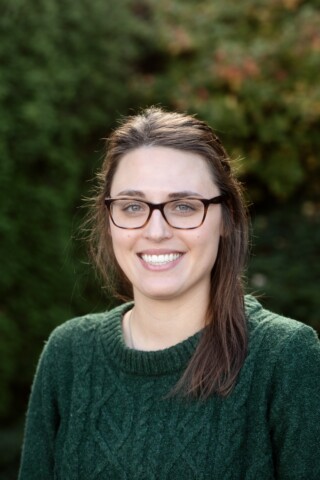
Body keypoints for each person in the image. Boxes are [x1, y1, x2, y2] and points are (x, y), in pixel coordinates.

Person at [19, 107, 320, 479]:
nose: (156, 230)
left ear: (225, 218)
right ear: (109, 219)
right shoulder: (68, 355)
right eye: (132, 206)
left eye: (183, 206)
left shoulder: (286, 358)